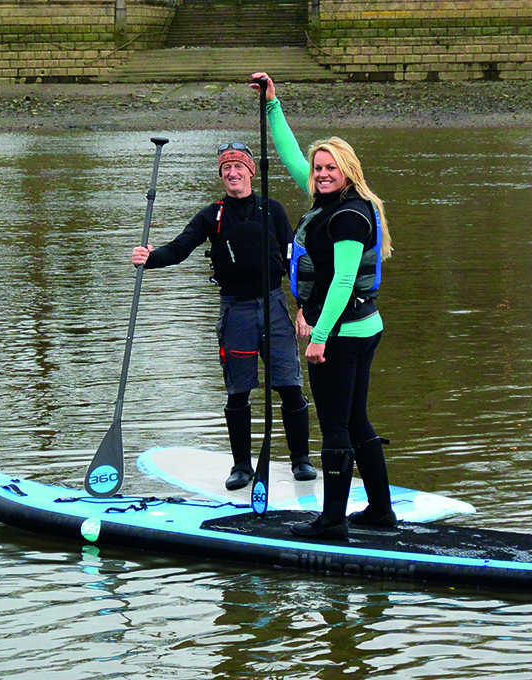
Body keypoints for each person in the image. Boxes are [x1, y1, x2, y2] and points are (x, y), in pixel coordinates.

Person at [250, 73, 395, 540]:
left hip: (344, 334)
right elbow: (293, 157)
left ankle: (332, 522)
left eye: (331, 168)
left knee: (335, 426)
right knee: (356, 420)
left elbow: (346, 279)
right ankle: (379, 512)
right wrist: (272, 106)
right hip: (358, 328)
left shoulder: (349, 216)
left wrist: (319, 335)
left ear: (348, 170)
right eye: (319, 169)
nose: (322, 173)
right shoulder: (329, 200)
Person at [132, 141, 316, 490]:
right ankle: (242, 467)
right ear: (222, 175)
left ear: (250, 171)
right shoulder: (211, 215)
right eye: (226, 169)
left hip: (274, 306)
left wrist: (306, 308)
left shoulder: (273, 210)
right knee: (238, 392)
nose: (232, 173)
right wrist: (150, 257)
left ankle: (301, 461)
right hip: (236, 311)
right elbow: (179, 247)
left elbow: (297, 262)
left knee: (290, 386)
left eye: (238, 167)